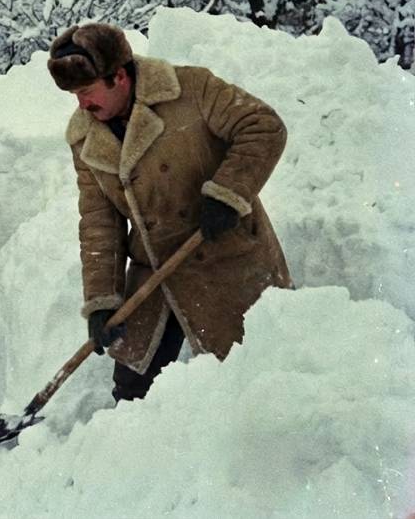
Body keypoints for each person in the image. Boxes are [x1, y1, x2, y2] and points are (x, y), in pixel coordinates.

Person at [47, 22, 292, 402]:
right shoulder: (85, 138)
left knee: (251, 380)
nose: (82, 105)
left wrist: (228, 193)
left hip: (225, 257)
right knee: (131, 388)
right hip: (155, 274)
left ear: (120, 77)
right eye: (74, 95)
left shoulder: (191, 90)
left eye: (87, 92)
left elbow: (263, 126)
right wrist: (102, 300)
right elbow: (99, 224)